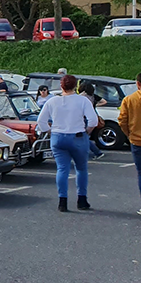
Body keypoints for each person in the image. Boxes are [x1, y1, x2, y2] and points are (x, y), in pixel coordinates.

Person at [37, 75, 98, 212]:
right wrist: (86, 132)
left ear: (61, 86)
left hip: (58, 136)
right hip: (77, 136)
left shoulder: (52, 101)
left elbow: (41, 121)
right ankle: (82, 200)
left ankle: (62, 201)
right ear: (75, 86)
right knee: (81, 168)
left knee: (62, 169)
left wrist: (50, 132)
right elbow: (93, 121)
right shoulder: (82, 101)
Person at [117, 73, 141, 215]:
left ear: (137, 84)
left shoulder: (129, 100)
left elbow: (122, 120)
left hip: (137, 140)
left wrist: (129, 134)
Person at [79, 83, 106, 160]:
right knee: (84, 136)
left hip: (83, 117)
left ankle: (97, 152)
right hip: (92, 116)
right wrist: (95, 105)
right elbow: (104, 101)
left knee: (83, 137)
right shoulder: (94, 96)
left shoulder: (82, 97)